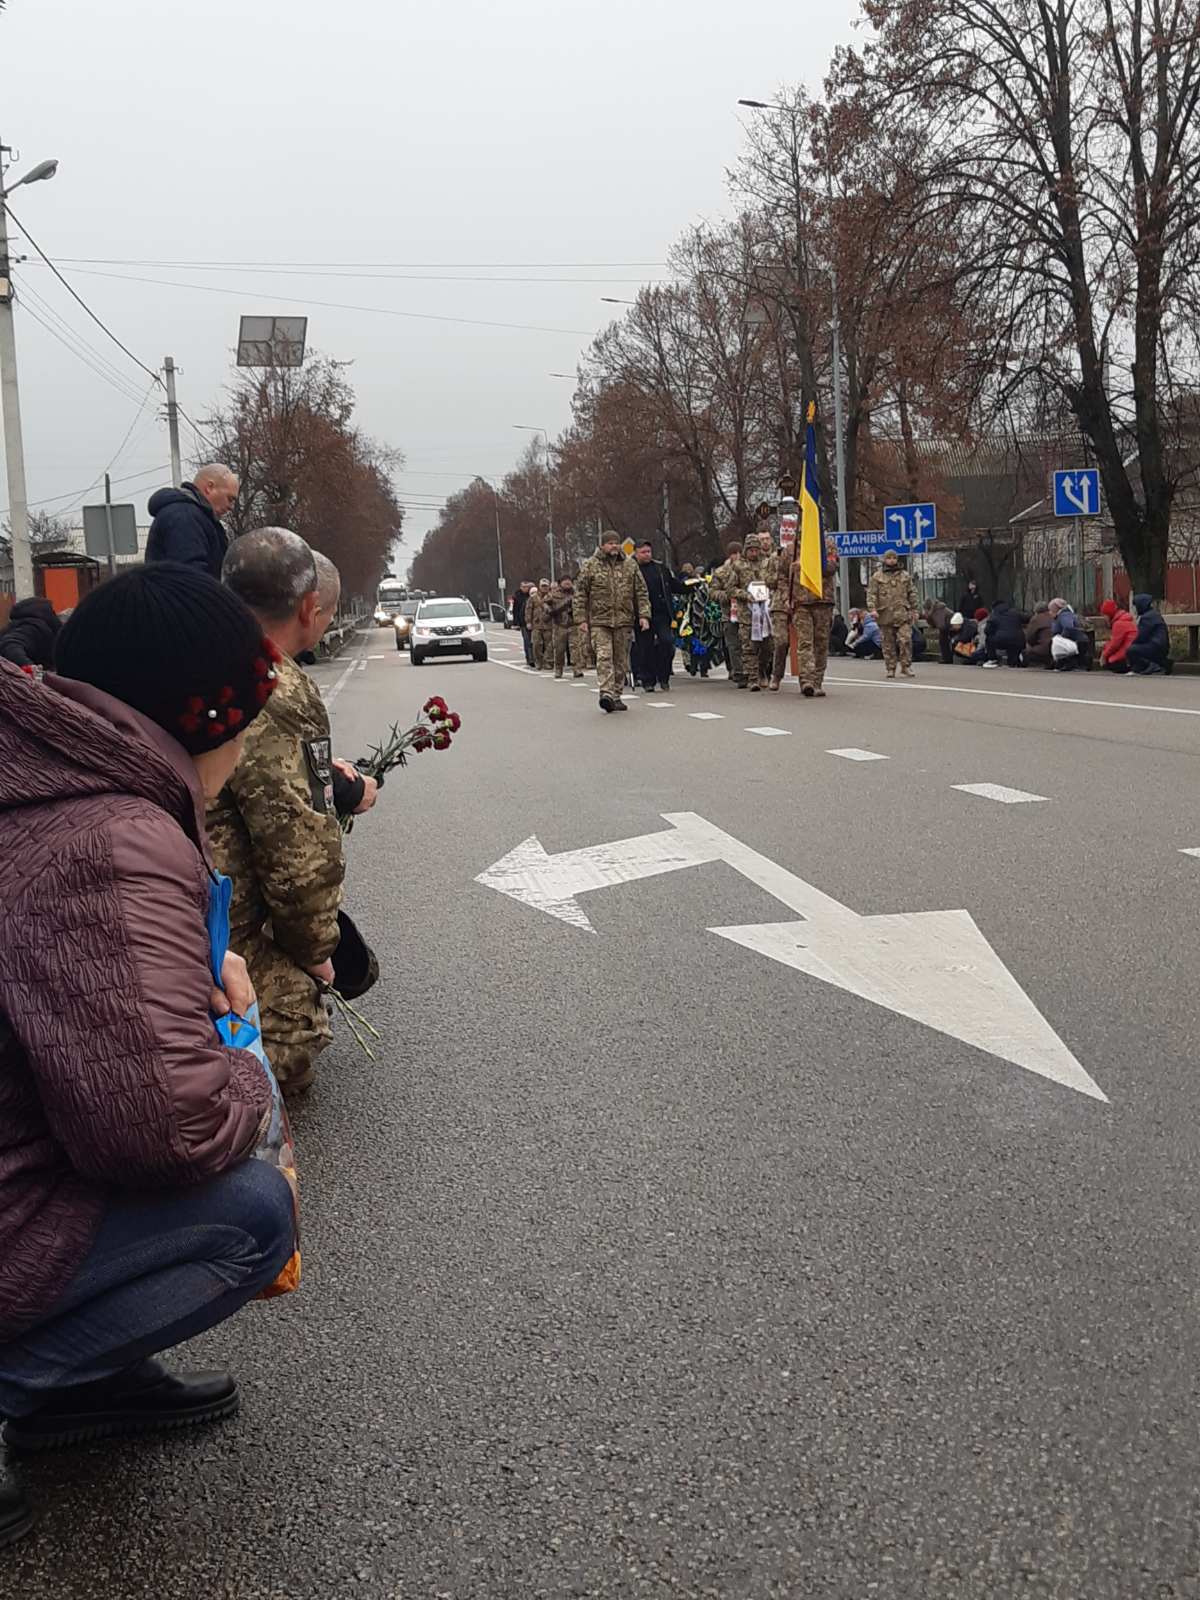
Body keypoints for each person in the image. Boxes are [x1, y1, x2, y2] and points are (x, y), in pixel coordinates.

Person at [0, 564, 295, 1537]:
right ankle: (29, 1380)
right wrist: (249, 1072)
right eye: (242, 717)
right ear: (198, 718)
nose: (248, 742)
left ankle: (86, 1365)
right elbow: (162, 1126)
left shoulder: (57, 782)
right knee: (251, 1213)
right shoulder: (112, 833)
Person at [208, 528, 346, 1093]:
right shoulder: (270, 683)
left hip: (140, 894)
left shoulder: (188, 652)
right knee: (294, 1024)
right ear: (311, 608)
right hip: (203, 921)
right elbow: (296, 850)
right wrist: (316, 953)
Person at [573, 531, 651, 712]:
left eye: (616, 543)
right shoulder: (591, 566)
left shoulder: (630, 566)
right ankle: (606, 693)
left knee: (621, 660)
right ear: (602, 546)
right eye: (609, 543)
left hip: (624, 621)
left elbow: (641, 592)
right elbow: (580, 594)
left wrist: (644, 616)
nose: (614, 546)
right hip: (600, 621)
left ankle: (616, 695)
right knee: (604, 656)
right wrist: (581, 619)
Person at [146, 464, 240, 580]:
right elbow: (192, 577)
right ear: (209, 487)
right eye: (230, 499)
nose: (231, 507)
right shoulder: (184, 517)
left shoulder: (193, 516)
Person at [775, 537, 836, 697]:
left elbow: (831, 567)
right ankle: (807, 681)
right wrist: (785, 598)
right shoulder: (790, 550)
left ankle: (817, 681)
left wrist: (806, 565)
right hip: (800, 602)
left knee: (821, 643)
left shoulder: (827, 545)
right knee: (805, 642)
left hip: (823, 600)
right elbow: (781, 577)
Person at [631, 541, 678, 692]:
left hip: (662, 614)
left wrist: (690, 585)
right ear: (636, 553)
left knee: (667, 642)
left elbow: (672, 585)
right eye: (643, 552)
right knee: (645, 648)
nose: (647, 555)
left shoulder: (660, 568)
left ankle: (664, 676)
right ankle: (647, 680)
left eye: (649, 551)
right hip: (641, 615)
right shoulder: (631, 570)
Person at [732, 531, 774, 692]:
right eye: (750, 550)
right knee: (749, 647)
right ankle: (753, 678)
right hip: (747, 614)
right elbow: (731, 589)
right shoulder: (738, 566)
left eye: (756, 550)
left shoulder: (767, 564)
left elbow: (774, 581)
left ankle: (762, 669)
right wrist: (746, 595)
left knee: (768, 646)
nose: (754, 553)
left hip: (766, 613)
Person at [866, 551, 919, 678]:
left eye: (894, 558)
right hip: (885, 614)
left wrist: (914, 609)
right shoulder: (877, 577)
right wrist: (872, 608)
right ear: (884, 560)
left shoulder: (905, 576)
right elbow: (871, 594)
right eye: (889, 558)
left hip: (902, 613)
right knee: (887, 643)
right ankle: (890, 667)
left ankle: (906, 666)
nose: (891, 560)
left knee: (905, 640)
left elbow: (912, 592)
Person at [711, 539, 745, 685]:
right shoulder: (721, 572)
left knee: (748, 644)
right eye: (734, 553)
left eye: (739, 553)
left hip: (747, 613)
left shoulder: (747, 569)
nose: (737, 556)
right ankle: (738, 672)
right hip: (729, 613)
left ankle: (751, 671)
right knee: (733, 644)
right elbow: (712, 592)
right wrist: (726, 595)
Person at [0, 596, 60, 672]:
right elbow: (10, 644)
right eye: (52, 610)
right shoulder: (33, 627)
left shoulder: (16, 625)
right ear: (43, 612)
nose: (54, 614)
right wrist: (30, 667)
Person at [1127, 592, 1171, 674]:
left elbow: (1141, 636)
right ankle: (1143, 667)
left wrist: (1131, 644)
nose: (1136, 609)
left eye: (1136, 606)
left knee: (1131, 650)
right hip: (1160, 646)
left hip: (1155, 646)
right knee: (1136, 648)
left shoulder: (1147, 617)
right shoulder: (1153, 614)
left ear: (1141, 605)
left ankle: (1152, 666)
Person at [1048, 597, 1092, 671]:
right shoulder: (1063, 615)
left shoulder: (1064, 615)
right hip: (1077, 640)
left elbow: (1068, 627)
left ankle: (1073, 664)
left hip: (1075, 640)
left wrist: (1061, 638)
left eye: (1051, 610)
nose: (1050, 612)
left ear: (1055, 609)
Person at [981, 600, 1026, 668]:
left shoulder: (994, 614)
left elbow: (987, 630)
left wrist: (995, 632)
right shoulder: (1015, 612)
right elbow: (1027, 618)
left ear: (993, 608)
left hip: (1002, 640)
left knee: (989, 639)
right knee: (1012, 644)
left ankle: (992, 659)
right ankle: (1013, 662)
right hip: (1018, 640)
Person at [545, 579, 575, 679]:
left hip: (573, 624)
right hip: (560, 624)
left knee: (575, 648)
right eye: (565, 582)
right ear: (560, 583)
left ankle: (577, 669)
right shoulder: (554, 594)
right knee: (559, 649)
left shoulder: (577, 593)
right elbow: (545, 603)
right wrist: (549, 609)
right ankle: (558, 669)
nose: (567, 584)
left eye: (569, 582)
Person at [1099, 597, 1137, 673]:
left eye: (1105, 615)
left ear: (1109, 614)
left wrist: (1104, 656)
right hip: (1132, 653)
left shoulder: (1118, 624)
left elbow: (1114, 645)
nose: (1104, 618)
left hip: (1126, 656)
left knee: (1110, 663)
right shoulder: (1127, 620)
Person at [1023, 602, 1055, 669]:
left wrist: (1032, 644)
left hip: (1044, 649)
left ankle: (1033, 664)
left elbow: (1029, 637)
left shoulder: (1036, 619)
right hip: (1056, 646)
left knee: (1026, 650)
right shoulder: (1053, 617)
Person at [924, 597, 954, 665]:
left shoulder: (938, 610)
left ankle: (946, 658)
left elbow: (941, 625)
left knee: (943, 640)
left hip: (949, 624)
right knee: (943, 640)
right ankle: (946, 657)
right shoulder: (935, 610)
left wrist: (929, 615)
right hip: (948, 624)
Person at [512, 581, 534, 667]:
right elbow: (515, 610)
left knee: (534, 641)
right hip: (523, 622)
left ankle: (534, 657)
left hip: (534, 622)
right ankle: (529, 658)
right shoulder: (518, 597)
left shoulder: (531, 596)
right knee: (527, 641)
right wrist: (516, 622)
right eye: (523, 587)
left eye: (527, 587)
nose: (525, 588)